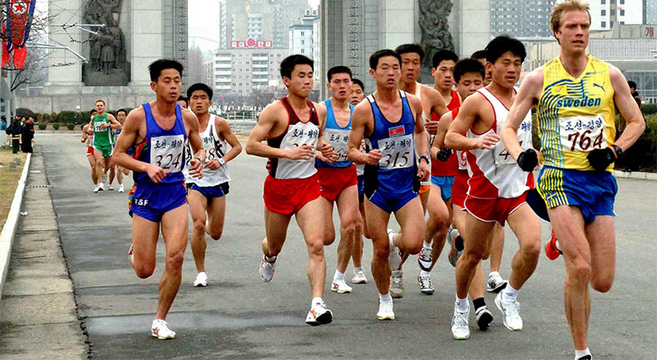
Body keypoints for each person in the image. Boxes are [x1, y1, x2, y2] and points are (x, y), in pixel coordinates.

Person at [500, 2, 645, 358]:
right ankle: (582, 351)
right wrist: (522, 154)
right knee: (579, 268)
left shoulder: (610, 75)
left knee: (603, 281)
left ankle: (563, 239)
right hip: (559, 179)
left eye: (585, 25)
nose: (579, 32)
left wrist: (614, 151)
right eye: (572, 26)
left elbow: (637, 122)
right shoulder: (538, 79)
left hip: (600, 181)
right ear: (557, 32)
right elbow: (508, 126)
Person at [445, 35, 541, 340]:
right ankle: (461, 307)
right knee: (473, 255)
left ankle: (509, 296)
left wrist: (534, 153)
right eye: (505, 63)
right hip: (484, 189)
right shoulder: (477, 101)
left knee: (533, 246)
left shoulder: (525, 98)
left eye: (517, 63)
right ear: (491, 66)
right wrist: (474, 141)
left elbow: (526, 140)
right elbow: (450, 137)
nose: (512, 69)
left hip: (517, 190)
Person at [113, 59, 205, 340]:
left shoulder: (186, 117)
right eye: (167, 80)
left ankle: (160, 319)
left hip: (175, 193)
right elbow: (118, 155)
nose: (174, 85)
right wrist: (146, 167)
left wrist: (199, 161)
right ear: (154, 85)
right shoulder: (138, 117)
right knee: (144, 270)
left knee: (176, 258)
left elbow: (199, 148)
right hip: (145, 195)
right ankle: (136, 252)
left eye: (177, 80)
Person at [245, 54, 335, 326]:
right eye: (301, 76)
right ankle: (269, 255)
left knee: (316, 244)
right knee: (275, 243)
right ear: (287, 80)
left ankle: (317, 305)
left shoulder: (319, 110)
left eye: (310, 75)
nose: (308, 81)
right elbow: (252, 145)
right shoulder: (276, 111)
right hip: (279, 188)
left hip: (308, 186)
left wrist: (323, 149)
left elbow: (317, 138)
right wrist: (286, 153)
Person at [347, 49, 430, 320]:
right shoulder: (364, 110)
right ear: (373, 73)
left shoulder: (413, 103)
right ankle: (384, 300)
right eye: (385, 68)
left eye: (395, 67)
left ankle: (397, 240)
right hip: (377, 188)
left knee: (415, 243)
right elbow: (351, 150)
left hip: (406, 186)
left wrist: (424, 158)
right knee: (379, 248)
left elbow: (420, 131)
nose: (392, 73)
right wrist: (365, 156)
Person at [432, 59, 495, 330]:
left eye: (477, 83)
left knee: (482, 250)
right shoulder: (449, 118)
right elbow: (434, 148)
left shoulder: (492, 114)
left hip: (488, 187)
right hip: (463, 189)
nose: (471, 88)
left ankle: (456, 248)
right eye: (466, 83)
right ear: (456, 86)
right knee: (473, 246)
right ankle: (479, 305)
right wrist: (441, 153)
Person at [394, 43, 449, 297]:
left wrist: (441, 128)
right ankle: (395, 269)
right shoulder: (384, 97)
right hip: (393, 174)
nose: (411, 67)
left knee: (440, 217)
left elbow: (455, 124)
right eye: (406, 62)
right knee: (408, 234)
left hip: (423, 170)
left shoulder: (429, 95)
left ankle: (424, 266)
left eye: (416, 62)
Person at [186, 83, 242, 287]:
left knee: (216, 233)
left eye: (203, 98)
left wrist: (221, 160)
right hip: (193, 180)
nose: (198, 102)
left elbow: (237, 147)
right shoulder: (182, 123)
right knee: (198, 223)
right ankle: (201, 272)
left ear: (210, 102)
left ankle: (205, 228)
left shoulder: (219, 124)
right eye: (194, 98)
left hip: (217, 180)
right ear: (189, 102)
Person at [315, 66, 363, 294]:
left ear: (352, 84)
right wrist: (320, 152)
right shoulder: (321, 111)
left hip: (347, 174)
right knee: (326, 237)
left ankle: (339, 277)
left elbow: (368, 139)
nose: (342, 86)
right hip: (322, 175)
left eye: (346, 81)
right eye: (337, 82)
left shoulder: (358, 112)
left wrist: (363, 147)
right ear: (329, 86)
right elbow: (309, 141)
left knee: (352, 225)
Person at [470, 50, 509, 293]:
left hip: (503, 177)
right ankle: (466, 301)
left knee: (499, 224)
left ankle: (494, 273)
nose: (482, 77)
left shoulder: (509, 101)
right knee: (477, 251)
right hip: (468, 181)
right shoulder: (466, 106)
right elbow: (446, 140)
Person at [349, 78, 369, 284]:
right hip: (348, 177)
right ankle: (358, 268)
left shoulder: (370, 116)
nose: (355, 95)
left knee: (370, 230)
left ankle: (389, 241)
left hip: (370, 176)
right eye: (351, 91)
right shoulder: (339, 117)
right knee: (355, 225)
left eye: (358, 91)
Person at [89, 99, 122, 192]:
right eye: (97, 106)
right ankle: (100, 184)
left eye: (101, 105)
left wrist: (108, 125)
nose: (99, 107)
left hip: (108, 144)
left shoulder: (109, 116)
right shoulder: (94, 118)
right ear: (95, 107)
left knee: (108, 164)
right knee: (99, 162)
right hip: (97, 144)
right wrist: (90, 129)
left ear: (104, 107)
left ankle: (104, 173)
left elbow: (119, 126)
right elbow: (90, 127)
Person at [81, 109, 98, 189]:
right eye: (93, 115)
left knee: (101, 165)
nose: (94, 116)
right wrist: (83, 139)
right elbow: (83, 138)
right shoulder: (86, 127)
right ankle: (96, 185)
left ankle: (103, 175)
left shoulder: (102, 126)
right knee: (93, 167)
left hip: (100, 147)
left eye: (96, 114)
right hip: (90, 148)